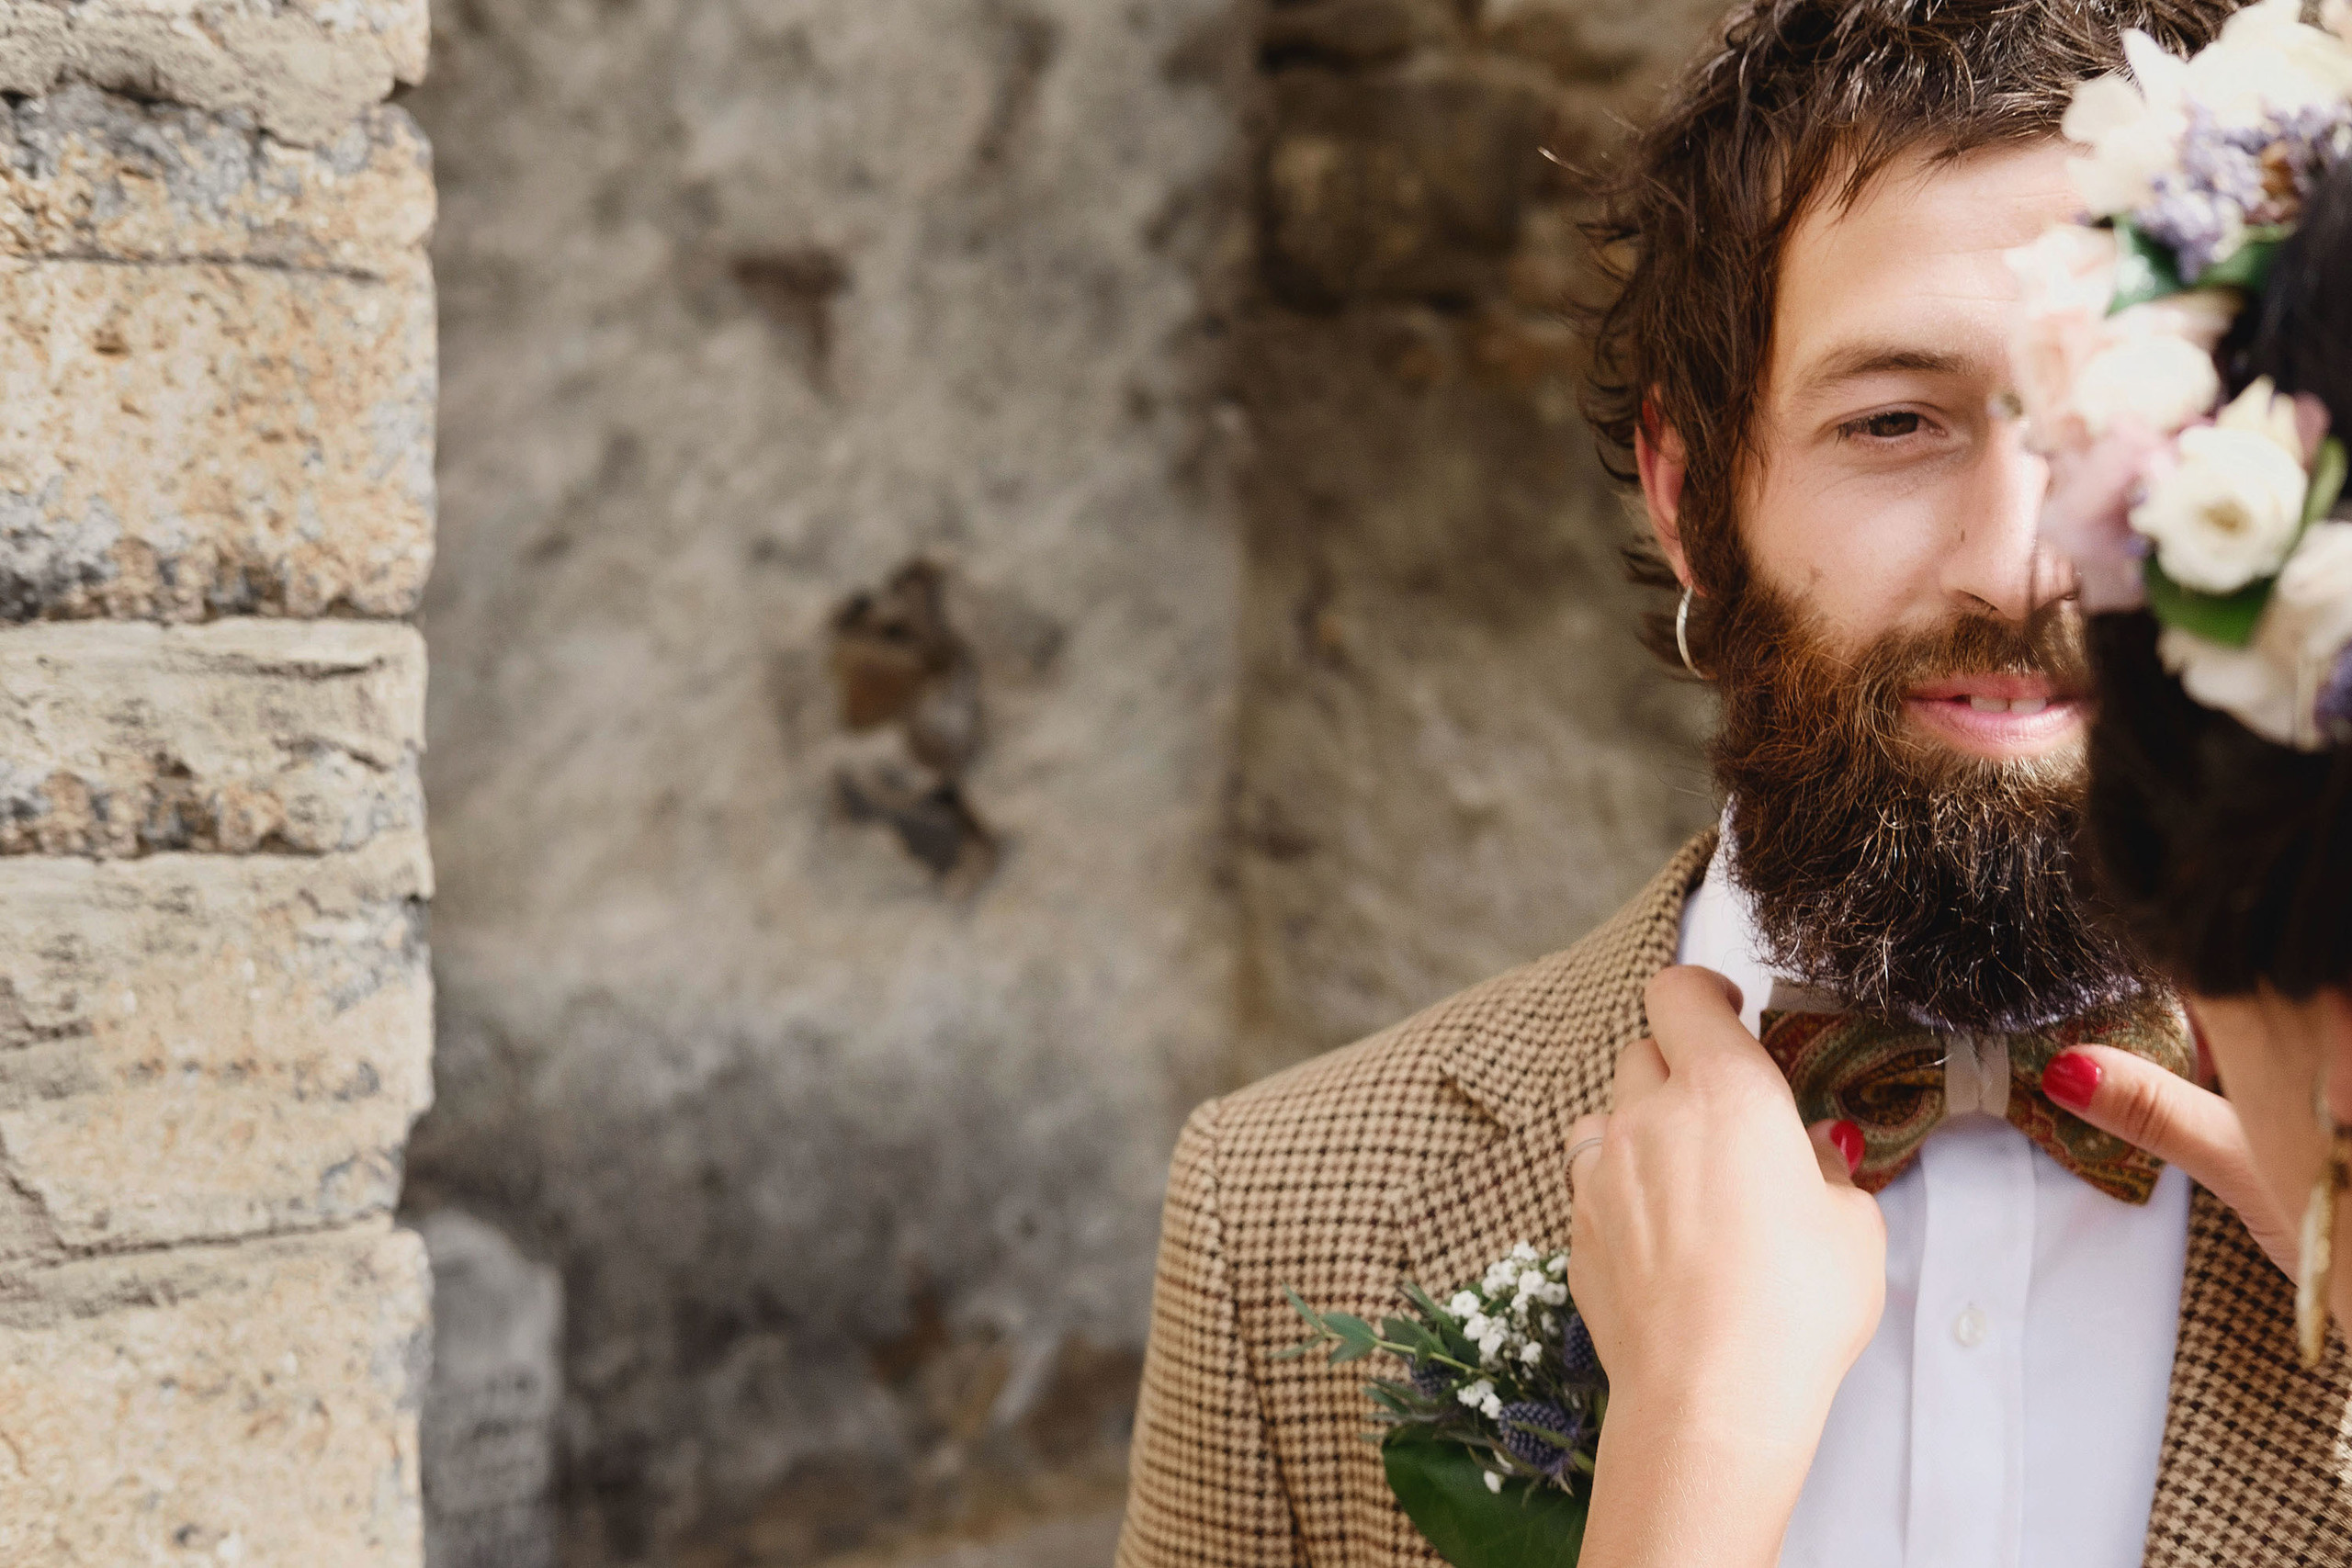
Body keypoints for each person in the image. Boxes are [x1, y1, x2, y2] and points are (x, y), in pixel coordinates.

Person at [1115, 0, 2352, 1564]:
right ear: (1692, 499)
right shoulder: (1282, 1213)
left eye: (2122, 421)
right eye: (1895, 422)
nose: (2019, 557)